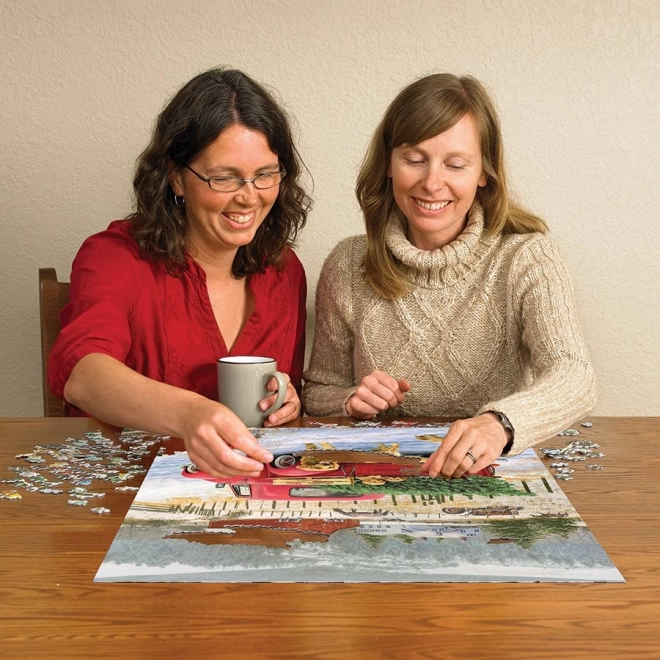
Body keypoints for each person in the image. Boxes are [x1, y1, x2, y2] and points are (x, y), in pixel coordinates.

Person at [302, 73, 596, 479]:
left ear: (483, 172)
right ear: (388, 163)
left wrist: (499, 424)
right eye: (414, 160)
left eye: (455, 164)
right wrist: (350, 400)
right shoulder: (347, 264)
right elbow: (317, 392)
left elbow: (575, 375)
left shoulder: (527, 257)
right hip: (384, 475)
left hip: (489, 474)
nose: (431, 183)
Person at [49, 68, 311, 479]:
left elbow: (283, 399)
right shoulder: (113, 257)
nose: (249, 197)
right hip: (125, 488)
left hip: (246, 491)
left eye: (265, 174)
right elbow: (83, 375)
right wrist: (190, 413)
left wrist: (289, 401)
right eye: (223, 178)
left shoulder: (285, 271)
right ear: (175, 176)